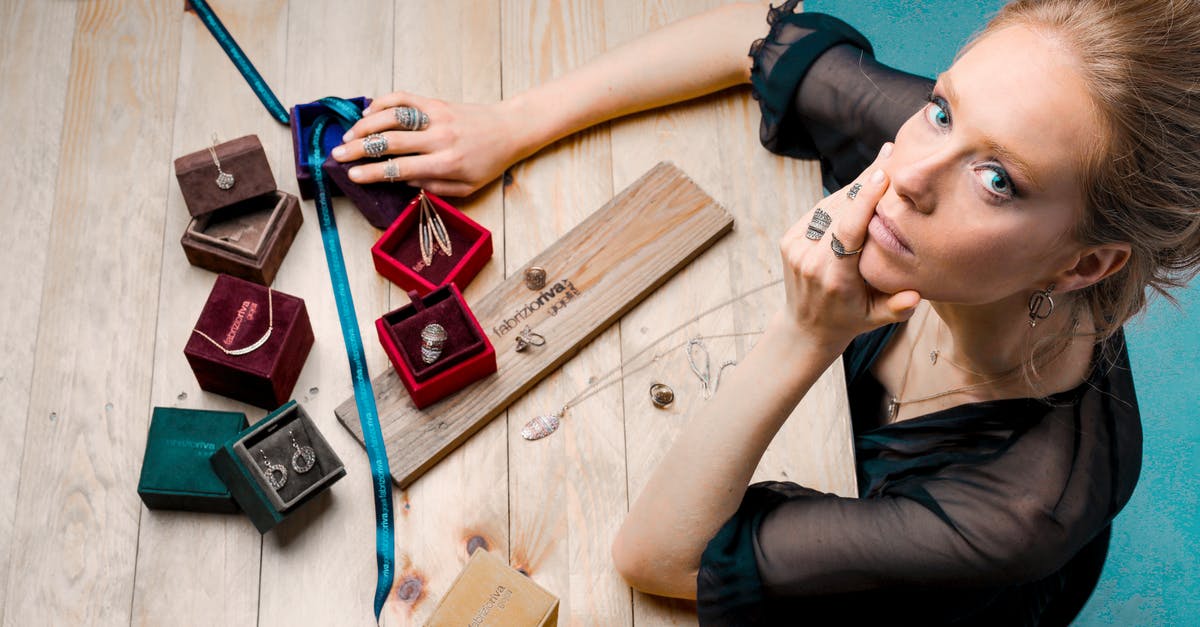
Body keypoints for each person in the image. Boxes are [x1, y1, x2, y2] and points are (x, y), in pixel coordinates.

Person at [334, 0, 1200, 624]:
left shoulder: (1016, 509)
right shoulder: (950, 151)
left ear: (1086, 262)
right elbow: (754, 30)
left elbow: (657, 557)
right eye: (940, 106)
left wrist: (806, 330)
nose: (908, 172)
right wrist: (511, 121)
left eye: (996, 180)